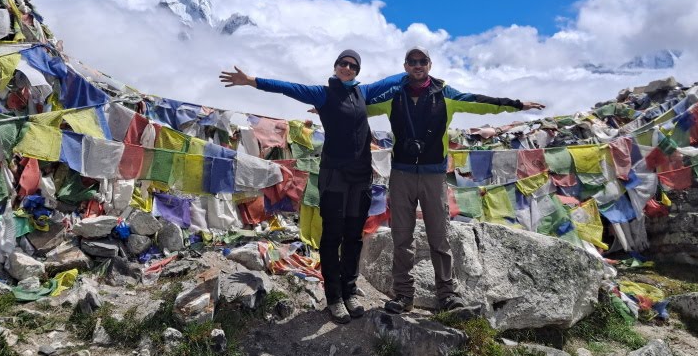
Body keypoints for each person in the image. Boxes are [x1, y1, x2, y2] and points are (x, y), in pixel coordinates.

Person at [220, 51, 399, 324]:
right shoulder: (323, 93)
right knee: (332, 236)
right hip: (335, 175)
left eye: (353, 65)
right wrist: (251, 80)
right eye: (343, 63)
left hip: (361, 177)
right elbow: (288, 88)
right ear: (335, 66)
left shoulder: (363, 93)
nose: (347, 68)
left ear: (357, 70)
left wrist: (418, 73)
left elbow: (391, 82)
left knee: (354, 236)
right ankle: (335, 297)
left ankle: (350, 292)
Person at [367, 47, 545, 314]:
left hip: (434, 176)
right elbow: (360, 108)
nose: (418, 65)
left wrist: (516, 104)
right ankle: (403, 295)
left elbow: (479, 102)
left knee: (439, 237)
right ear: (405, 66)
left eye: (422, 61)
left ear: (430, 64)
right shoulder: (393, 96)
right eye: (412, 62)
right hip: (401, 174)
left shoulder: (445, 94)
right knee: (401, 237)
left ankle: (447, 295)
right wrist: (329, 107)